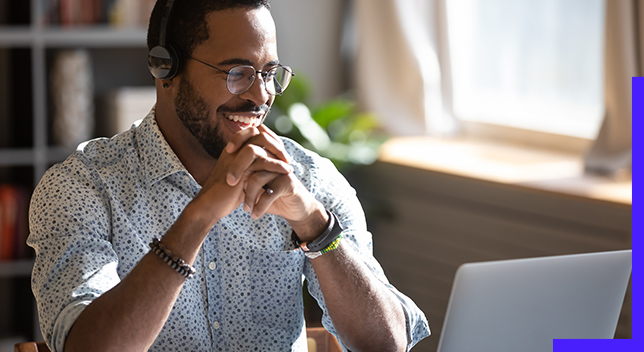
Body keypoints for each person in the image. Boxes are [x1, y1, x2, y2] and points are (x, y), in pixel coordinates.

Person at [28, 0, 430, 351]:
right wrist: (198, 216)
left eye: (270, 73)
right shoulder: (81, 188)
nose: (260, 96)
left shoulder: (309, 178)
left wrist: (314, 224)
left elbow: (387, 345)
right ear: (165, 68)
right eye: (237, 72)